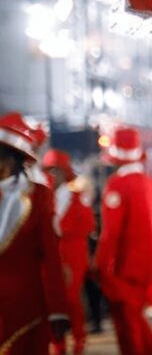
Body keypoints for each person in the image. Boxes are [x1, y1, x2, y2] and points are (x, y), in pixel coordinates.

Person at [0, 112, 69, 354]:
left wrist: (58, 308)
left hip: (25, 309)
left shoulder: (39, 195)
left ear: (10, 158)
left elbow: (50, 255)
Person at [94, 126, 152, 355]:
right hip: (148, 267)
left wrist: (100, 265)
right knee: (137, 322)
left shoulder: (117, 185)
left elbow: (111, 233)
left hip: (123, 269)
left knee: (127, 328)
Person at [42, 149, 95, 355]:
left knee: (71, 299)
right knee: (54, 301)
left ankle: (79, 338)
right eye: (50, 171)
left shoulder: (77, 197)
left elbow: (88, 225)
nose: (52, 176)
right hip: (52, 255)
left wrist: (63, 232)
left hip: (73, 253)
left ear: (64, 173)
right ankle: (58, 343)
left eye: (56, 171)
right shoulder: (44, 197)